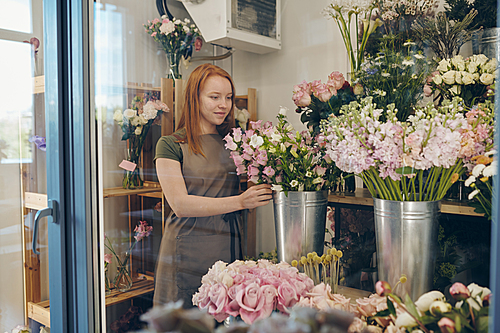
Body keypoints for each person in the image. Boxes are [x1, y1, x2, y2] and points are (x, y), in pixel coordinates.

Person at [153, 63, 272, 308]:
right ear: (194, 98)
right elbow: (180, 204)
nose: (224, 105)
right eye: (214, 97)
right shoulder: (170, 145)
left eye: (228, 97)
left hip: (227, 246)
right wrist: (240, 201)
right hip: (188, 250)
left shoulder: (234, 143)